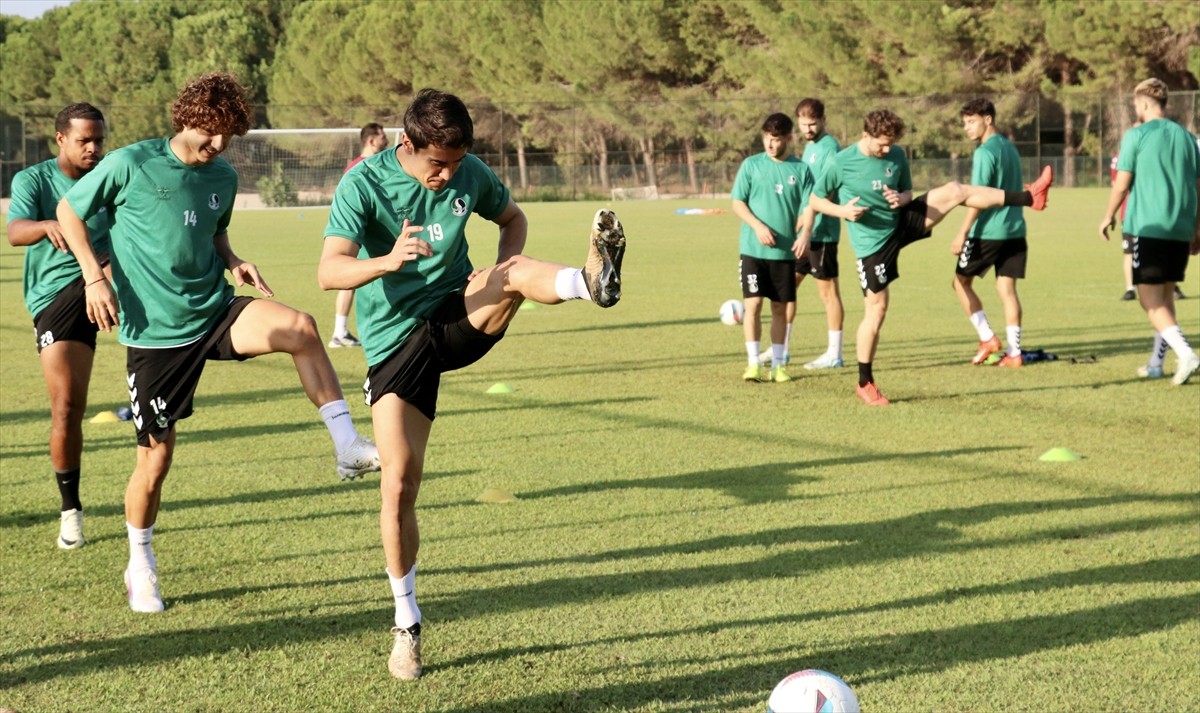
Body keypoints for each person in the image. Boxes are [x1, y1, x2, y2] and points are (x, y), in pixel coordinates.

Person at [318, 88, 626, 680]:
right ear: (407, 144)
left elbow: (513, 218)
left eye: (456, 163)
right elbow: (330, 270)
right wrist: (385, 261)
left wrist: (497, 268)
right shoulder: (364, 185)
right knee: (400, 482)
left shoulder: (467, 171)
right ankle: (406, 624)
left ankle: (590, 283)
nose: (448, 175)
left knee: (509, 273)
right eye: (437, 164)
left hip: (459, 310)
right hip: (394, 345)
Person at [55, 73, 381, 614]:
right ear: (186, 117)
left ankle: (346, 444)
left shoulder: (222, 176)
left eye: (227, 137)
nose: (217, 147)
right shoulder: (130, 163)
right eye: (210, 134)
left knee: (300, 327)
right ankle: (140, 565)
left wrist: (233, 260)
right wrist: (94, 277)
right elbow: (70, 213)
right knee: (154, 465)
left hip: (214, 308)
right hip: (156, 337)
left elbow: (214, 231)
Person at [809, 109, 1053, 405]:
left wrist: (901, 198)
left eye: (891, 144)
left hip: (901, 222)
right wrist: (843, 211)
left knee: (955, 190)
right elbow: (816, 199)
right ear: (865, 135)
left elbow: (908, 191)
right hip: (872, 245)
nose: (887, 150)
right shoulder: (841, 162)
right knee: (877, 311)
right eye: (881, 145)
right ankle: (865, 383)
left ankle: (1030, 197)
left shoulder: (896, 155)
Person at [6, 103, 109, 550]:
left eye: (99, 140)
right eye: (84, 140)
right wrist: (47, 222)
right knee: (68, 406)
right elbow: (15, 232)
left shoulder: (112, 176)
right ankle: (71, 511)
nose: (93, 148)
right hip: (57, 298)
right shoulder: (34, 179)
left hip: (108, 278)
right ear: (60, 139)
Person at [1099, 78, 1200, 385]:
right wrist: (1197, 227)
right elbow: (1198, 186)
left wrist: (1107, 216)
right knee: (1166, 298)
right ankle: (1156, 363)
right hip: (1180, 227)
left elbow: (1122, 182)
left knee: (1149, 301)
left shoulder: (1137, 135)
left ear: (1143, 103)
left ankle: (1187, 354)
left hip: (1149, 226)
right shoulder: (1187, 137)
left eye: (1135, 105)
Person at [731, 112, 813, 383]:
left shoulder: (801, 170)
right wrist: (757, 226)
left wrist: (804, 234)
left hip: (784, 253)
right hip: (753, 250)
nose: (770, 144)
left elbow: (809, 206)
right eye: (767, 138)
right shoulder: (751, 165)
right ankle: (753, 363)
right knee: (753, 304)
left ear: (789, 138)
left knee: (780, 308)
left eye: (776, 139)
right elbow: (738, 203)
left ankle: (779, 365)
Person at [950, 98, 1030, 368]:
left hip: (989, 232)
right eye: (964, 123)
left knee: (960, 282)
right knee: (1006, 289)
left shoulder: (985, 152)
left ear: (988, 119)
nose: (967, 128)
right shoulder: (1010, 147)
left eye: (971, 122)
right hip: (1016, 230)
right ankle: (1015, 353)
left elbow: (977, 197)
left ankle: (987, 338)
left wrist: (962, 233)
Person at [791, 98, 845, 370]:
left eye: (812, 123)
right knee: (787, 287)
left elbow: (826, 191)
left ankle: (834, 354)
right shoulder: (810, 147)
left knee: (828, 292)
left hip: (821, 232)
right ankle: (781, 348)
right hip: (805, 230)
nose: (808, 129)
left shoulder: (829, 148)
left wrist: (809, 226)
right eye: (803, 124)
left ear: (824, 120)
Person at [328, 123, 391, 348]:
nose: (386, 139)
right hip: (362, 236)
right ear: (372, 141)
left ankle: (340, 332)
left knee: (354, 285)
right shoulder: (362, 168)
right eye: (382, 136)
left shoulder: (359, 164)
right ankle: (341, 332)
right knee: (354, 282)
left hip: (360, 235)